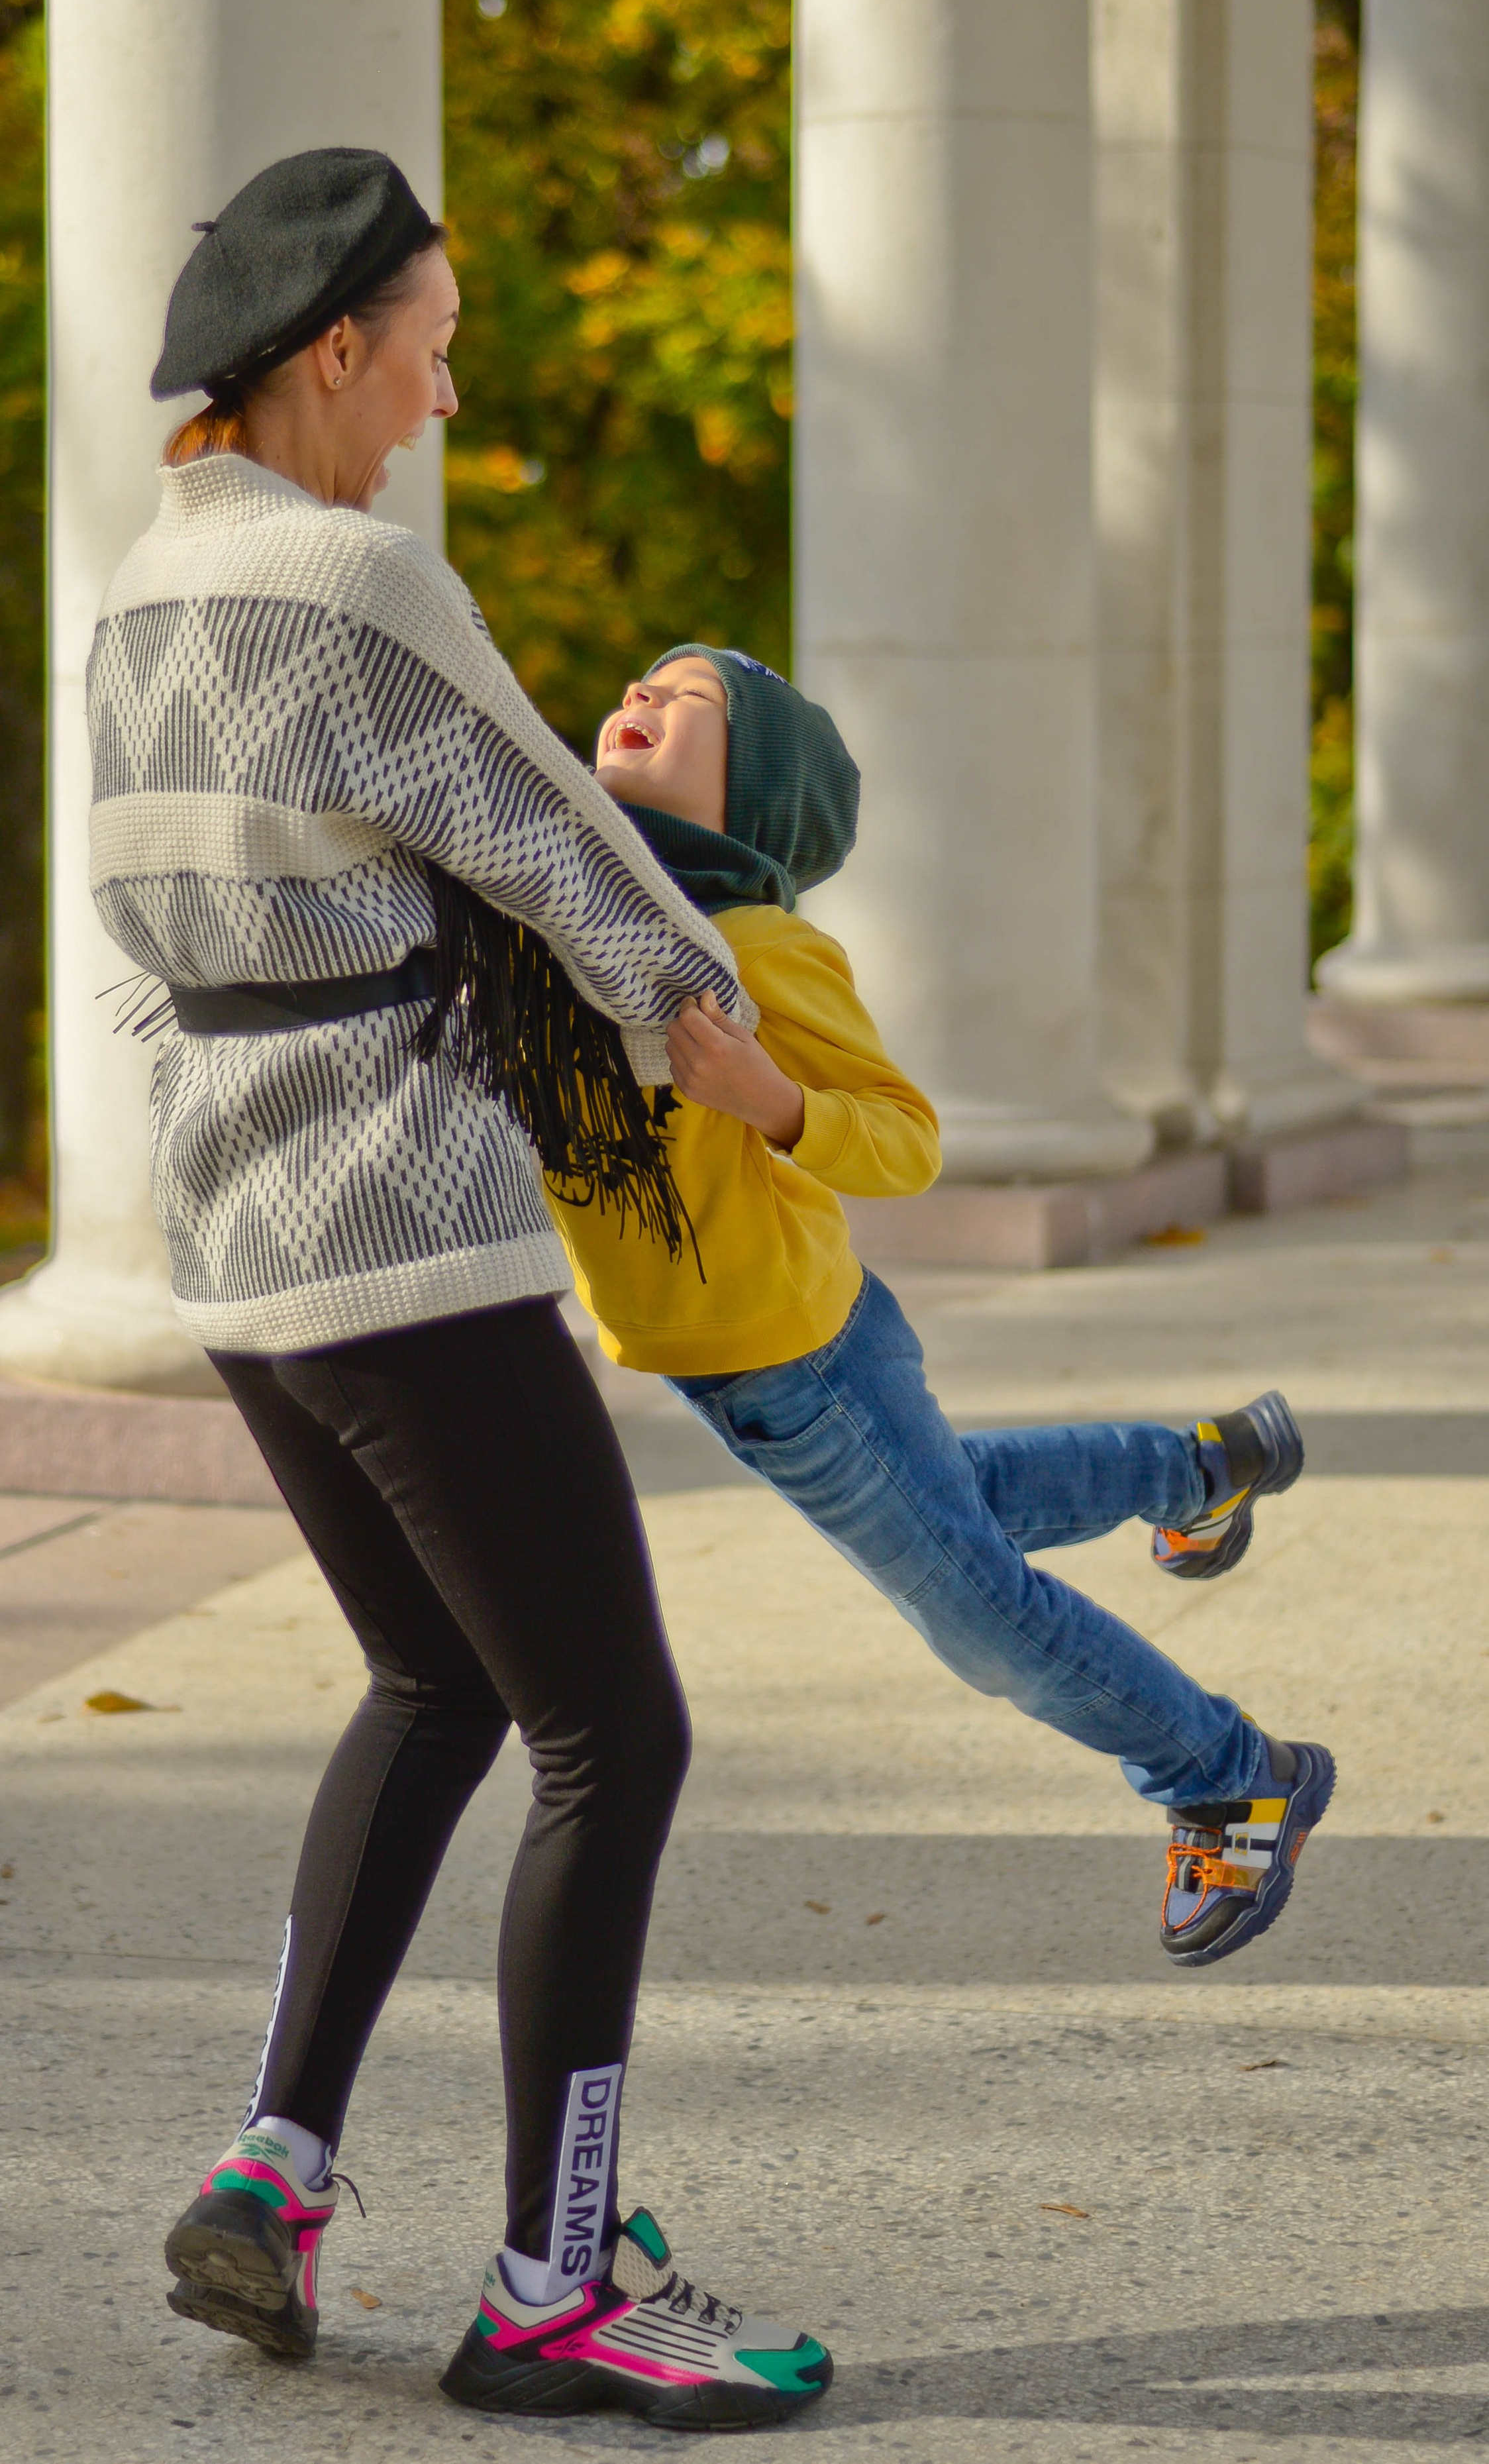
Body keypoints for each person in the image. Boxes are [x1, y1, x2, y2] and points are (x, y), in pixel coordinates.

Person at [93, 150, 830, 2431]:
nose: (436, 389)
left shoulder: (139, 595)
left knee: (432, 1678)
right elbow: (567, 844)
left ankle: (284, 2165)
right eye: (426, 341)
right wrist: (714, 1023)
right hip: (404, 1226)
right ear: (333, 349)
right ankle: (553, 2280)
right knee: (619, 1731)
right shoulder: (356, 580)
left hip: (234, 1245)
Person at [554, 643, 1335, 1967]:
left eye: (684, 704)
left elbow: (904, 1141)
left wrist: (773, 1102)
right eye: (630, 685)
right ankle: (1196, 1468)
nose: (635, 700)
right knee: (950, 1502)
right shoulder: (582, 931)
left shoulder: (753, 945)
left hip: (795, 1354)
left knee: (977, 1612)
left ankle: (1226, 1771)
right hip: (728, 1362)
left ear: (752, 798)